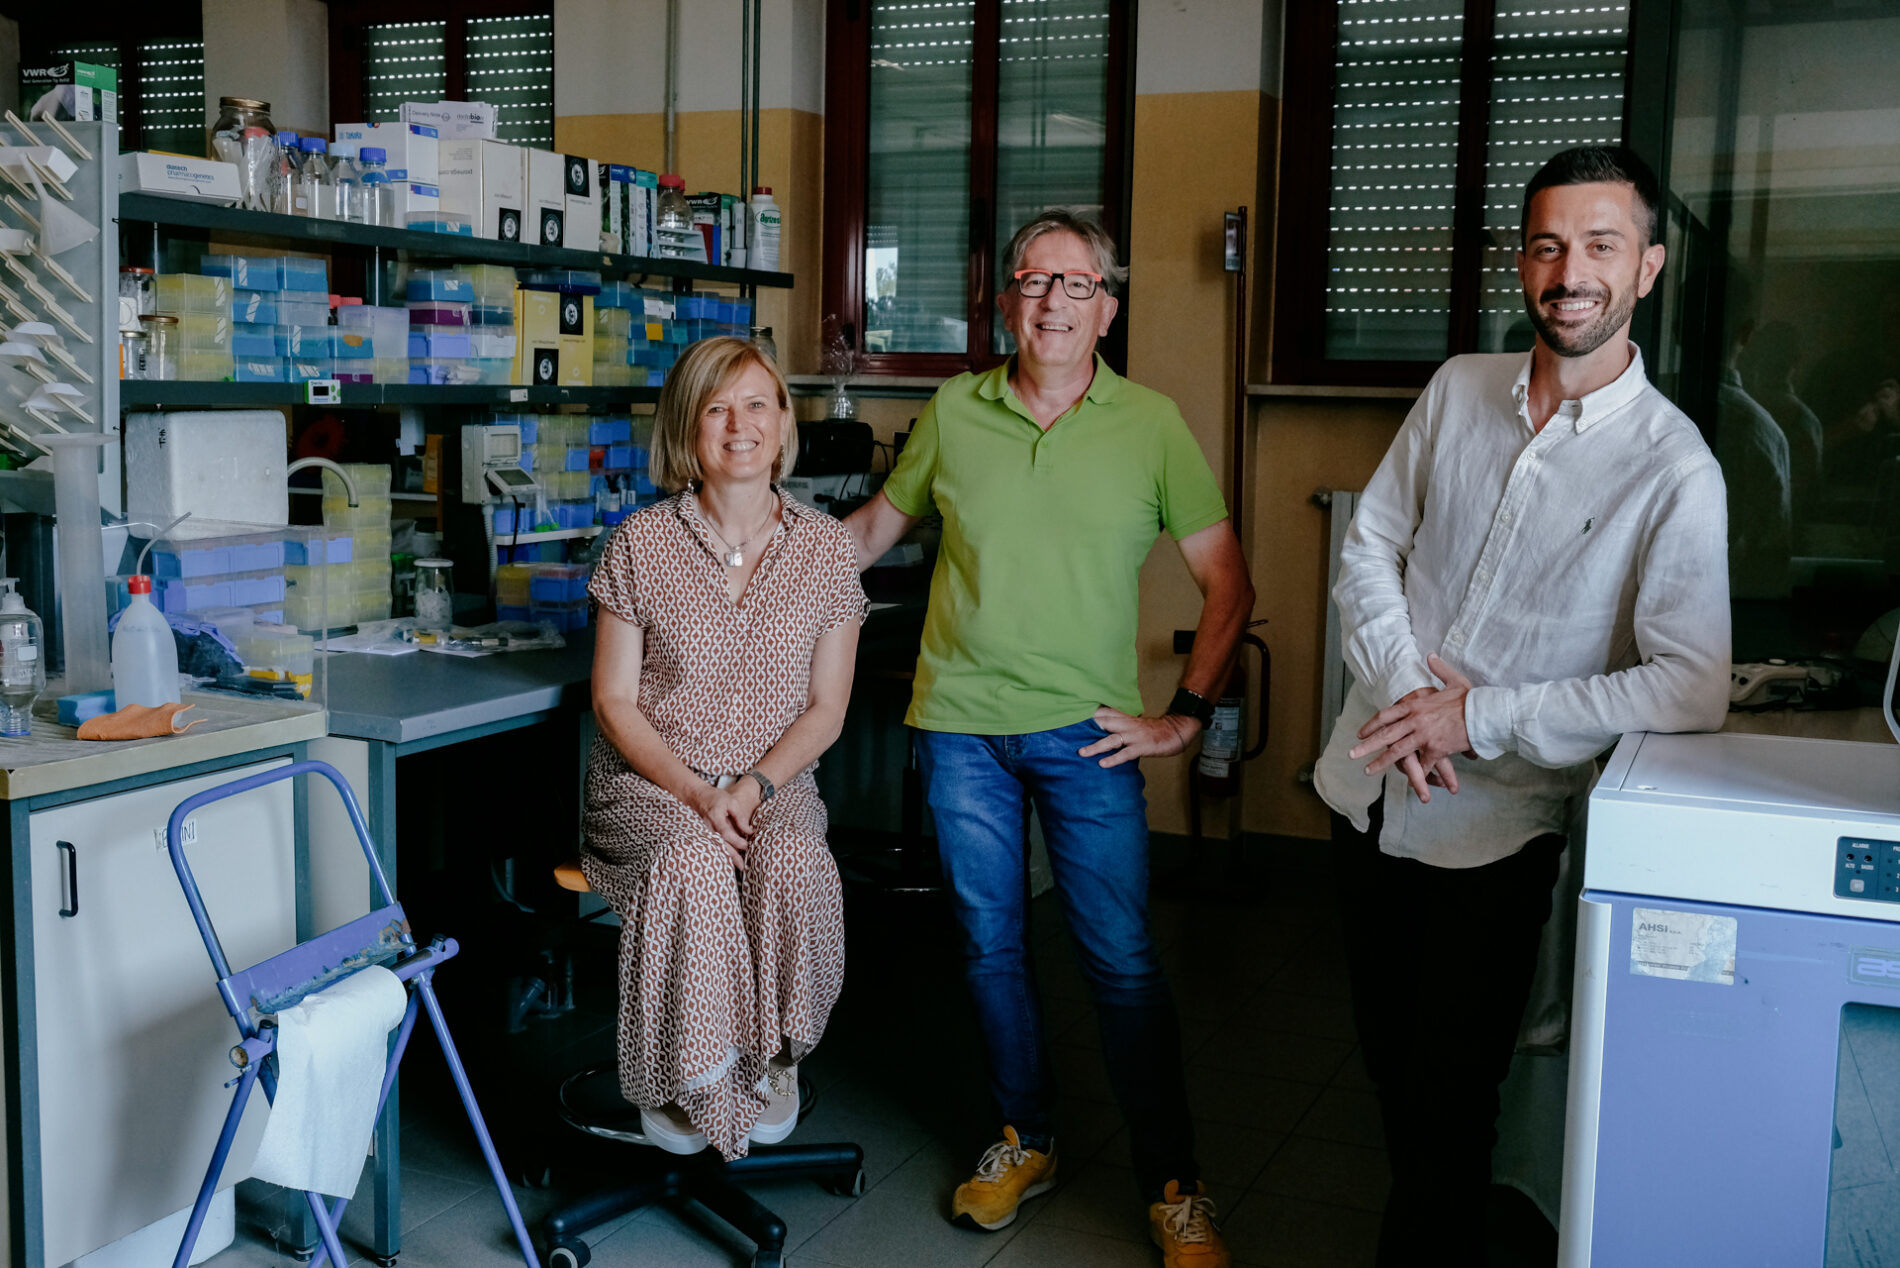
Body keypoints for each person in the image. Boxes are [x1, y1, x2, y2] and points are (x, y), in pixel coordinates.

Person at [1313, 146, 1731, 1265]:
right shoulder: (1456, 388)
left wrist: (1476, 715)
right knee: (1394, 1077)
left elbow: (1687, 680)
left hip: (1495, 830)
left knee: (1451, 1102)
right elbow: (1370, 543)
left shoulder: (1674, 467)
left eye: (1600, 245)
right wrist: (1408, 686)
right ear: (1521, 261)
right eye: (1547, 244)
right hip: (1361, 791)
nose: (1569, 270)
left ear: (1647, 267)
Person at [844, 209, 1255, 1268]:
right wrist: (729, 559)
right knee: (989, 947)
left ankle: (1173, 1182)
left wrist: (1185, 715)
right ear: (1007, 299)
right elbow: (862, 539)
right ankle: (1025, 1137)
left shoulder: (1151, 423)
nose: (1054, 301)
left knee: (1118, 959)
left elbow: (1226, 582)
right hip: (962, 731)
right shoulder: (952, 409)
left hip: (1089, 736)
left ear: (1107, 306)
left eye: (1077, 284)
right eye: (1035, 280)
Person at [582, 335, 866, 1160]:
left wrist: (752, 786)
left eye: (756, 404)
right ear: (687, 429)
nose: (738, 425)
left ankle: (771, 1058)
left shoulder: (827, 551)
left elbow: (827, 708)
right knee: (694, 863)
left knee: (793, 862)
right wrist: (700, 794)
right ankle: (691, 1075)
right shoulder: (640, 542)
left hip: (773, 786)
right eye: (715, 408)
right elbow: (613, 699)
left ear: (783, 422)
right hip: (653, 787)